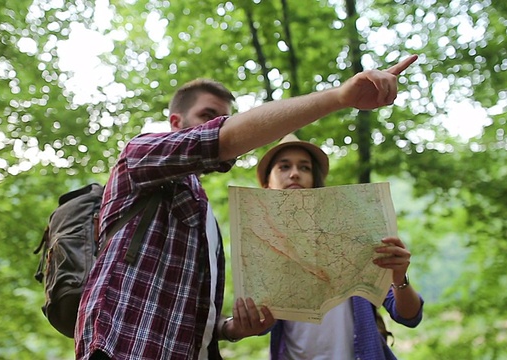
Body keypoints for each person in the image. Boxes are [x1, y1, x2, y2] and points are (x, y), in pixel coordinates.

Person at [75, 54, 419, 360]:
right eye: (208, 116)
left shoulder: (203, 213)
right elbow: (221, 140)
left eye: (223, 118)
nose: (215, 126)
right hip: (124, 345)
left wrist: (234, 329)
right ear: (175, 122)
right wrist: (340, 97)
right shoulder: (139, 155)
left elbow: (204, 322)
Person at [250, 134, 424, 360]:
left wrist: (399, 277)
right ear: (266, 185)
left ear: (315, 180)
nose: (295, 173)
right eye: (284, 167)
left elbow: (408, 316)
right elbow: (261, 326)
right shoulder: (257, 247)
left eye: (305, 167)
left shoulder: (351, 235)